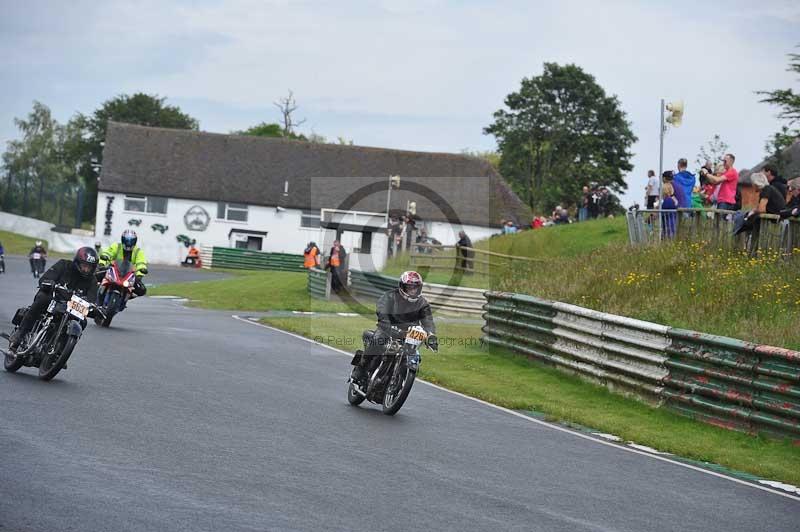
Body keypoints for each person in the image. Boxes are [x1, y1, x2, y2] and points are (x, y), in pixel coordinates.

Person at [350, 271, 438, 385]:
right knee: (378, 342)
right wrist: (386, 321)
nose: (413, 290)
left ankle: (398, 377)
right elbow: (382, 308)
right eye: (409, 287)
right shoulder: (391, 296)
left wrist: (430, 335)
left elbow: (428, 320)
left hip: (408, 334)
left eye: (415, 288)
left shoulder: (422, 303)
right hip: (387, 328)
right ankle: (361, 369)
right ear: (402, 286)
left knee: (413, 353)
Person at [8, 247, 101, 353]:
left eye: (89, 267)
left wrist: (95, 309)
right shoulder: (64, 265)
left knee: (83, 321)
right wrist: (50, 282)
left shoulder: (92, 281)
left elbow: (92, 300)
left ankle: (61, 348)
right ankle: (20, 334)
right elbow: (45, 278)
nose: (86, 269)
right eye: (84, 265)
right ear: (77, 262)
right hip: (54, 298)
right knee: (43, 298)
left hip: (71, 308)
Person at [98, 229, 148, 299]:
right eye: (126, 241)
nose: (128, 244)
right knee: (95, 276)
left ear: (135, 241)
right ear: (122, 240)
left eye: (131, 241)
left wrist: (140, 273)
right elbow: (108, 253)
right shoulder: (116, 246)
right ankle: (95, 292)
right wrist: (102, 263)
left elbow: (141, 263)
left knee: (142, 290)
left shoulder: (138, 252)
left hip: (129, 275)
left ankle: (128, 295)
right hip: (113, 270)